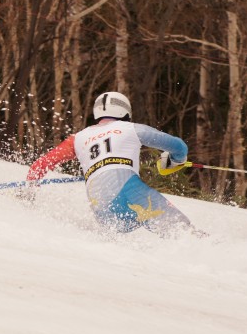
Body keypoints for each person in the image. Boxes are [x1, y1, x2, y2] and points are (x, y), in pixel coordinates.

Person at [26, 91, 204, 237]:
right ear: (125, 112)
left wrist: (28, 194)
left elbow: (39, 166)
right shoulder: (130, 128)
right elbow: (178, 145)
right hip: (130, 191)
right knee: (186, 235)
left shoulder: (77, 138)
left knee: (125, 249)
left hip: (101, 208)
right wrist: (176, 161)